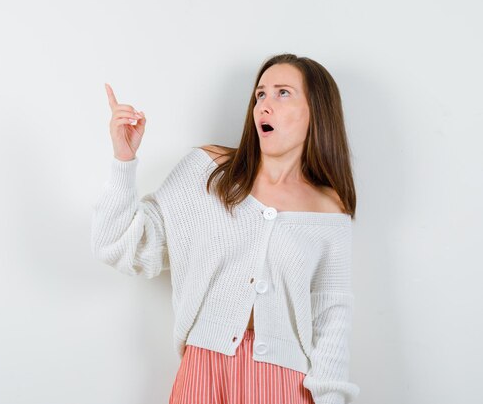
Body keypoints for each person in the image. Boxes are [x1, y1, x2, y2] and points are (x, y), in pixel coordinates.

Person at [90, 53, 361, 404]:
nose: (264, 105)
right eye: (260, 94)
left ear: (316, 111)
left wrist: (331, 398)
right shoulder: (208, 172)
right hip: (204, 369)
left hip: (286, 382)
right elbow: (119, 246)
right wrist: (123, 161)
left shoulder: (328, 208)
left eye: (282, 93)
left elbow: (332, 315)